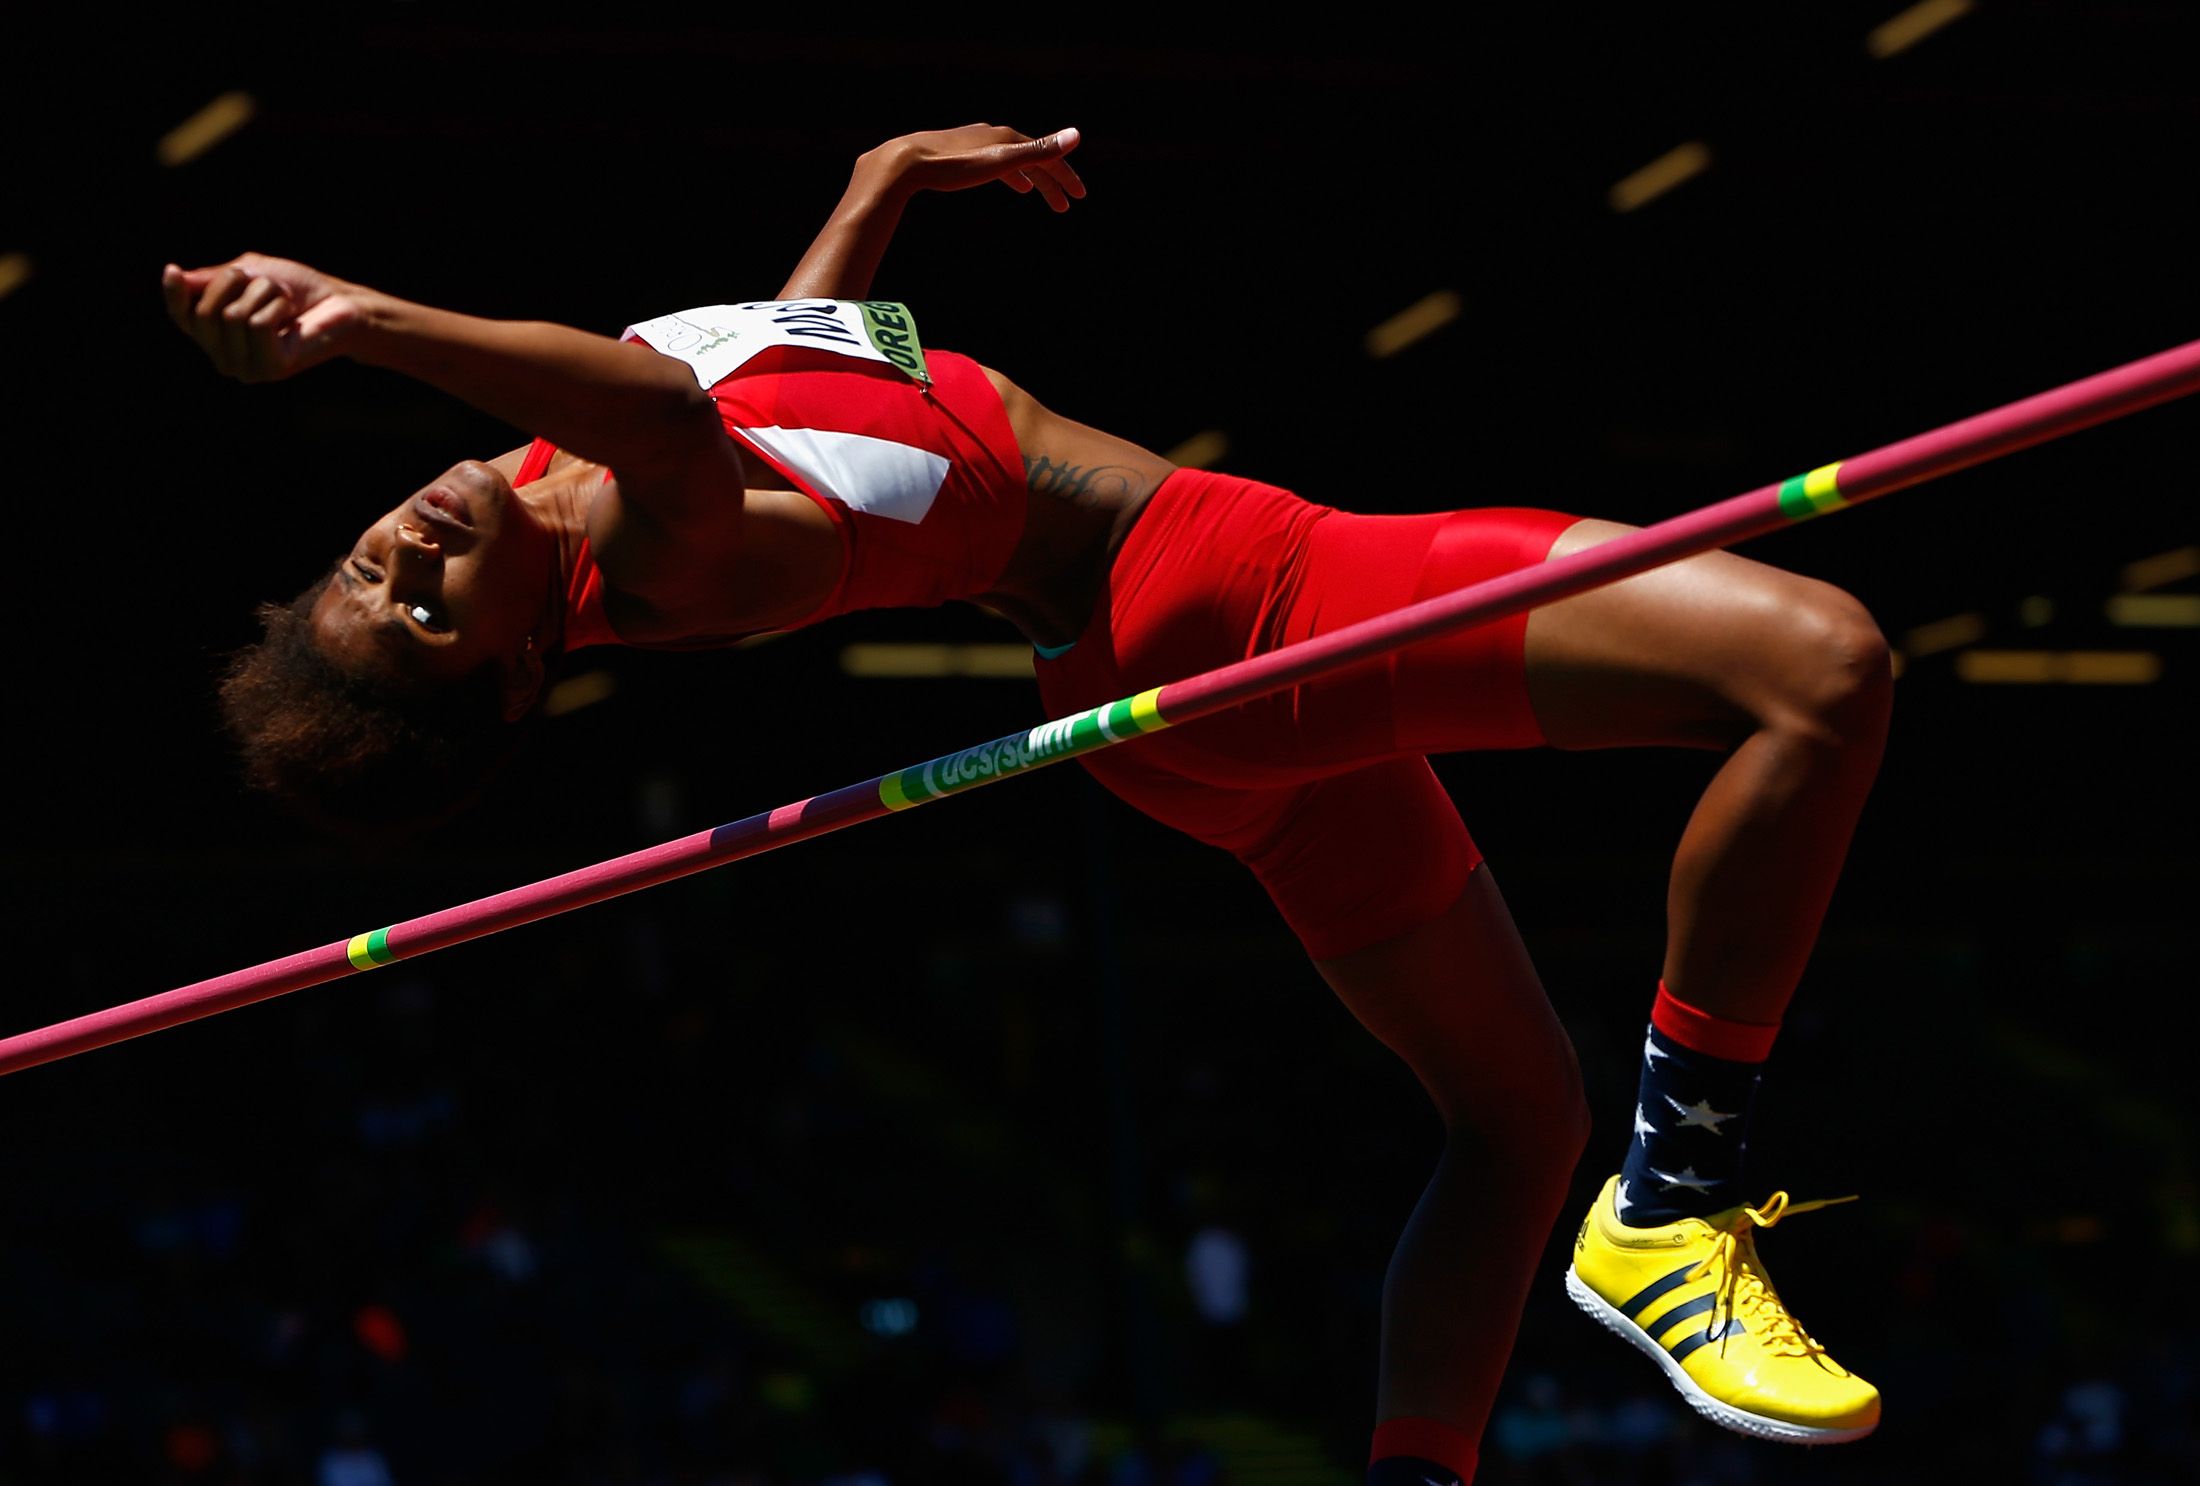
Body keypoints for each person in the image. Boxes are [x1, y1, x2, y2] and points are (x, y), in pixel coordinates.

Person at [164, 123, 1894, 1484]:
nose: (399, 552)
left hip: (1147, 701)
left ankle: (1418, 1471)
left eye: (360, 566)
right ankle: (1682, 1196)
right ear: (519, 669)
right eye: (414, 613)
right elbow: (671, 408)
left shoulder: (562, 480)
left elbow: (782, 372)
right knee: (1816, 664)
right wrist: (361, 319)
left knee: (1513, 1121)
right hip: (1228, 592)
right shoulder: (647, 536)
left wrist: (881, 184)